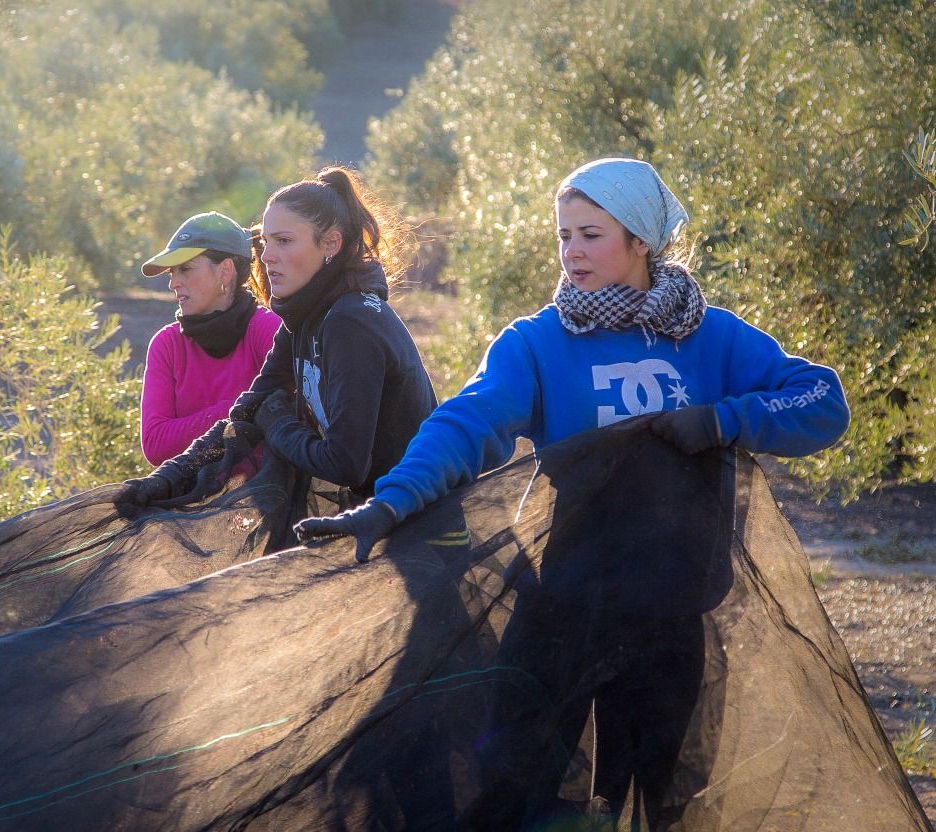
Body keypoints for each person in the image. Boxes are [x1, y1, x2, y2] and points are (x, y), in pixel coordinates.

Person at [295, 157, 851, 826]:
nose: (573, 253)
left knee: (657, 808)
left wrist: (721, 420)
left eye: (591, 234)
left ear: (640, 240)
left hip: (671, 618)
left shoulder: (710, 336)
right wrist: (390, 503)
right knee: (514, 791)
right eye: (564, 236)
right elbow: (465, 424)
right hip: (564, 613)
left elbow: (822, 401)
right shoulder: (538, 343)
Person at [122, 167, 437, 510]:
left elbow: (344, 464)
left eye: (284, 241)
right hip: (381, 510)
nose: (268, 255)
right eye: (265, 242)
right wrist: (169, 477)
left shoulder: (352, 321)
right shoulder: (304, 319)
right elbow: (246, 413)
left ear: (330, 243)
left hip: (422, 519)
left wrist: (277, 424)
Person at [137, 211, 280, 466]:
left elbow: (290, 415)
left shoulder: (267, 330)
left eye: (185, 269)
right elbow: (156, 444)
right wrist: (243, 408)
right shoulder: (167, 345)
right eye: (172, 272)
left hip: (267, 498)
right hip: (190, 501)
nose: (173, 283)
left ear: (225, 272)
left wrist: (194, 427)